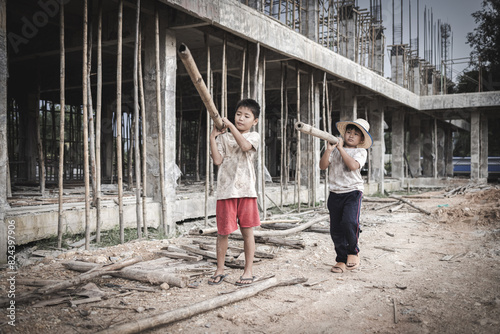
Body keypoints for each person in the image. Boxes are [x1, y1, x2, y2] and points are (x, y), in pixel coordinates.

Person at [208, 98, 261, 286]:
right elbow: (217, 160)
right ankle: (220, 269)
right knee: (222, 233)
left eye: (246, 116)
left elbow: (245, 146)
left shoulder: (254, 136)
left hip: (246, 191)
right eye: (238, 114)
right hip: (225, 191)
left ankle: (248, 270)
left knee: (248, 232)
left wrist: (230, 126)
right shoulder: (224, 137)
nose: (241, 118)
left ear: (254, 121)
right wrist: (212, 138)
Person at [319, 118, 373, 273]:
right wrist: (329, 150)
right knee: (335, 229)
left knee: (349, 222)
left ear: (361, 139)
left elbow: (353, 165)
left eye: (355, 134)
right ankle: (341, 259)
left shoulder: (360, 151)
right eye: (348, 132)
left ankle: (353, 251)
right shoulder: (334, 149)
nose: (351, 135)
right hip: (335, 193)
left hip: (353, 192)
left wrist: (341, 149)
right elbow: (322, 166)